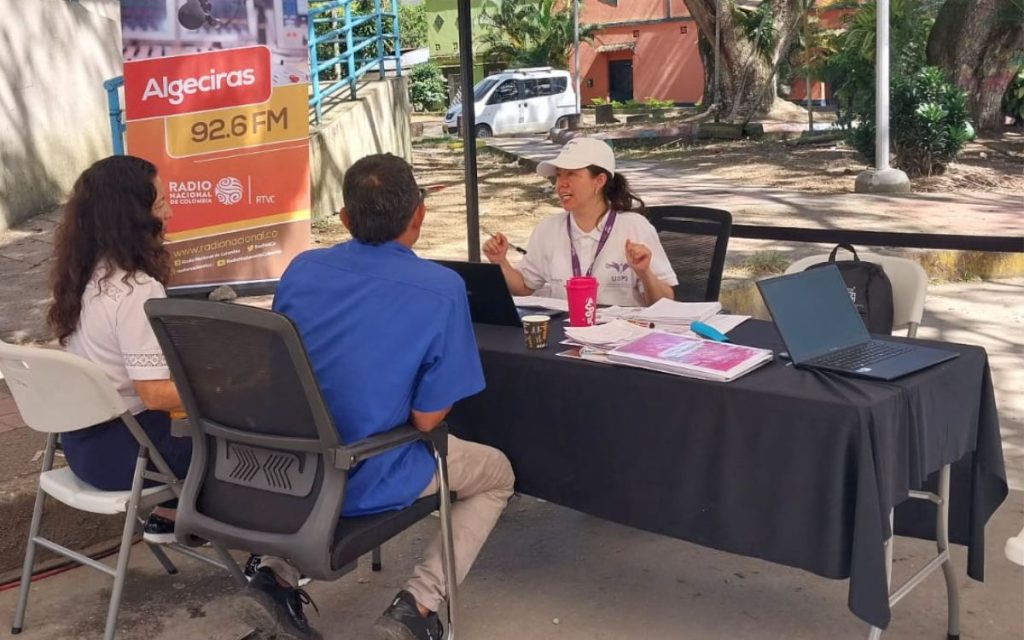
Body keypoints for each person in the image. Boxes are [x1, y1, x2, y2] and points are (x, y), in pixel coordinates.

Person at [248, 153, 515, 640]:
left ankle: (276, 573)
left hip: (285, 469)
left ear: (346, 219)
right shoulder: (441, 288)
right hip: (365, 474)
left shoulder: (302, 269)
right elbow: (427, 419)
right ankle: (419, 606)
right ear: (420, 213)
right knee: (496, 473)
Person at [47, 155, 189, 543]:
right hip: (131, 458)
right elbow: (154, 394)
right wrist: (226, 386)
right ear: (134, 217)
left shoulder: (84, 275)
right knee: (243, 437)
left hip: (83, 451)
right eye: (160, 204)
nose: (170, 213)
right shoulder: (136, 289)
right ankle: (266, 553)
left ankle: (171, 512)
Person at [483, 136, 678, 307]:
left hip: (621, 340)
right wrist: (501, 262)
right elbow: (524, 287)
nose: (561, 184)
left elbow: (666, 303)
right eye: (558, 175)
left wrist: (645, 273)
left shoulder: (634, 226)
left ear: (599, 181)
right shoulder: (548, 229)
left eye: (572, 174)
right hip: (565, 336)